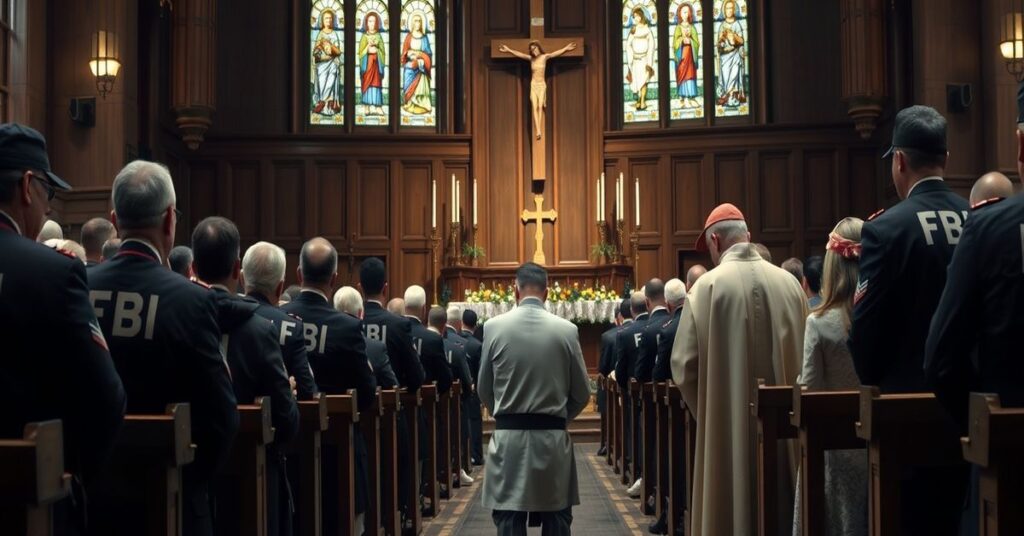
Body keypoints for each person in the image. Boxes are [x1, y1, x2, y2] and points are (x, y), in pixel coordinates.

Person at [88, 160, 238, 536]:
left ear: (115, 218)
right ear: (170, 220)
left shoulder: (78, 286)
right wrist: (187, 477)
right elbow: (221, 419)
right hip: (172, 503)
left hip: (90, 501)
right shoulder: (191, 301)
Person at [847, 106, 970, 535]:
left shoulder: (886, 229)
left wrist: (877, 384)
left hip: (906, 415)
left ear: (899, 160)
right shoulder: (978, 220)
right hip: (973, 415)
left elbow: (866, 333)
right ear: (946, 158)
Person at [0, 123, 125, 532]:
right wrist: (73, 474)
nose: (49, 207)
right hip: (26, 499)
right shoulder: (54, 273)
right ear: (26, 185)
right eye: (47, 194)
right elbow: (105, 398)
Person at [671, 203, 807, 536]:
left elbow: (684, 366)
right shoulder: (791, 285)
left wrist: (714, 413)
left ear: (715, 241)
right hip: (786, 433)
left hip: (726, 432)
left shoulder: (705, 289)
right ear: (748, 236)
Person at [925, 85, 1024, 536]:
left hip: (1012, 460)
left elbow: (941, 359)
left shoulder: (989, 230)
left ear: (1019, 145)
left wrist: (985, 422)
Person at [191, 217, 299, 536]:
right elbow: (287, 422)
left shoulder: (181, 316)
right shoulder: (260, 331)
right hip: (252, 482)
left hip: (186, 478)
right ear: (237, 269)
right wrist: (289, 395)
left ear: (193, 267)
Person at [478, 262, 591, 536]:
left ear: (514, 292)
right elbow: (583, 393)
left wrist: (503, 414)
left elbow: (483, 387)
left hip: (508, 442)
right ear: (548, 292)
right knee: (557, 520)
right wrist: (559, 416)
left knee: (508, 519)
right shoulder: (567, 330)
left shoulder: (493, 327)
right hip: (552, 442)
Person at [282, 237, 376, 536]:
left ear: (298, 274)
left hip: (290, 452)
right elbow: (366, 394)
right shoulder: (348, 327)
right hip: (340, 457)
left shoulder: (278, 319)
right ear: (334, 279)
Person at [791, 217, 868, 536]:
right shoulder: (880, 315)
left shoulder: (820, 322)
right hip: (878, 443)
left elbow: (809, 390)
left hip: (834, 449)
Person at [359, 257, 424, 530]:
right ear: (385, 289)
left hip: (356, 415)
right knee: (397, 468)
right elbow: (417, 376)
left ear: (360, 287)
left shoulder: (350, 323)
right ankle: (398, 515)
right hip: (391, 419)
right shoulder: (398, 325)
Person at [241, 241, 317, 401]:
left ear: (242, 279)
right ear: (280, 288)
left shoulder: (225, 316)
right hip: (276, 420)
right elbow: (307, 391)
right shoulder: (291, 327)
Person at [403, 284, 451, 515]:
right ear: (424, 310)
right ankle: (417, 497)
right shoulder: (431, 340)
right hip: (423, 409)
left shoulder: (397, 331)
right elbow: (445, 379)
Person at [649, 277, 688, 535]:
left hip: (674, 407)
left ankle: (671, 514)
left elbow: (658, 375)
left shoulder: (668, 329)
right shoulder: (703, 321)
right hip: (699, 405)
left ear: (669, 303)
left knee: (673, 460)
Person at [429, 306, 475, 487]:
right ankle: (457, 466)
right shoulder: (456, 348)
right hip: (451, 404)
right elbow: (465, 381)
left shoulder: (420, 340)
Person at [497, 39, 578, 139]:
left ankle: (539, 128)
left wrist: (566, 48)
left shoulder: (544, 57)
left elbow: (555, 53)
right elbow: (519, 54)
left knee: (540, 106)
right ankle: (538, 129)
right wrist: (508, 50)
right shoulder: (531, 59)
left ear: (538, 48)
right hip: (534, 85)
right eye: (531, 49)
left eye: (534, 48)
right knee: (534, 106)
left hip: (541, 85)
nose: (533, 51)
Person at [613, 290, 649, 498]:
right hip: (658, 393)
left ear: (631, 310)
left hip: (633, 395)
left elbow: (620, 370)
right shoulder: (657, 328)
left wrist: (624, 386)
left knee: (637, 432)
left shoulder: (624, 334)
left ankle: (639, 472)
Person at [334, 285, 398, 389]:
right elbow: (393, 387)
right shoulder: (376, 349)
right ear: (361, 313)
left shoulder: (326, 344)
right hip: (367, 404)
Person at [596, 298, 631, 458]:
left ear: (619, 317)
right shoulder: (645, 330)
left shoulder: (608, 336)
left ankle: (607, 442)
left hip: (614, 387)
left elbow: (603, 368)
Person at [460, 309, 485, 465]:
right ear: (475, 326)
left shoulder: (454, 340)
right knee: (475, 421)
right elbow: (481, 371)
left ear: (462, 322)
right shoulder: (477, 345)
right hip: (474, 388)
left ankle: (464, 454)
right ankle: (476, 454)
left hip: (458, 389)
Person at [401, 14, 434, 117]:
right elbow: (404, 54)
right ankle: (409, 104)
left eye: (419, 21)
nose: (417, 23)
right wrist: (408, 54)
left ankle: (422, 105)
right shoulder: (409, 37)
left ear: (421, 23)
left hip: (421, 67)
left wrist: (420, 55)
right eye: (415, 21)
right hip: (410, 66)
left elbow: (428, 54)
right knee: (408, 81)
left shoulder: (424, 38)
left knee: (421, 86)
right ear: (412, 23)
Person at [312, 9, 342, 117]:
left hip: (332, 64)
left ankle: (326, 105)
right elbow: (315, 53)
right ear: (322, 20)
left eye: (330, 18)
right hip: (322, 66)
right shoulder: (320, 34)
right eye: (326, 18)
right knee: (322, 83)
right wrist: (322, 53)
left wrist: (330, 44)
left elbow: (338, 52)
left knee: (331, 82)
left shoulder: (335, 34)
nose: (328, 20)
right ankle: (322, 104)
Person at [716, 0, 746, 107]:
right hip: (725, 58)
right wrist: (722, 42)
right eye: (727, 8)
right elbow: (719, 45)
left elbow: (742, 41)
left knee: (734, 76)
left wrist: (734, 36)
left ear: (734, 10)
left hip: (735, 56)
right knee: (725, 77)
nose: (729, 10)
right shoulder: (722, 26)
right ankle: (725, 96)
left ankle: (732, 97)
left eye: (731, 8)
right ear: (724, 10)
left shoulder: (737, 24)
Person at [625, 6, 656, 112]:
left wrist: (649, 61)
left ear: (642, 16)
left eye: (638, 16)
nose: (636, 18)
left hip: (644, 60)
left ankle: (643, 101)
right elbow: (628, 44)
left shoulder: (647, 30)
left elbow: (651, 45)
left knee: (644, 81)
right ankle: (639, 100)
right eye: (634, 17)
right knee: (637, 82)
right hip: (635, 60)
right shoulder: (633, 30)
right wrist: (630, 57)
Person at [673, 2, 700, 109]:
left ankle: (691, 97)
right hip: (682, 57)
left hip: (691, 57)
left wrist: (691, 41)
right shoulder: (678, 28)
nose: (685, 14)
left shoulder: (692, 28)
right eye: (683, 12)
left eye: (687, 12)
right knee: (682, 75)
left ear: (690, 14)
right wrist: (682, 40)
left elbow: (697, 43)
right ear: (680, 14)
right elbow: (675, 44)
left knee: (690, 74)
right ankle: (683, 97)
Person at [359, 12, 386, 117]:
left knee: (377, 83)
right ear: (366, 23)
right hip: (367, 65)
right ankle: (366, 106)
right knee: (367, 83)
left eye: (374, 21)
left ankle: (378, 107)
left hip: (376, 65)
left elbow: (383, 52)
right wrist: (368, 48)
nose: (372, 23)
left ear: (377, 23)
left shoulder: (379, 37)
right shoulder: (364, 37)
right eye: (370, 21)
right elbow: (360, 53)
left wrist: (377, 50)